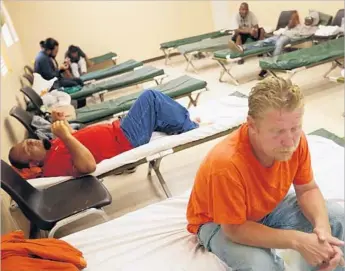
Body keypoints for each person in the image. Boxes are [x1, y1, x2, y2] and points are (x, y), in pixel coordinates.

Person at [186, 77, 344, 271]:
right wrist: (298, 240)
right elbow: (234, 229)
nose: (289, 142)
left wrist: (323, 232)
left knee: (337, 219)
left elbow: (307, 189)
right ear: (251, 125)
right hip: (217, 222)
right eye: (277, 131)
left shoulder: (297, 141)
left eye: (295, 128)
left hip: (265, 207)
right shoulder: (226, 164)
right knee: (262, 266)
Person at [9, 90, 201, 178]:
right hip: (125, 140)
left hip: (118, 130)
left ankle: (178, 124)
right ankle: (189, 127)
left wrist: (59, 123)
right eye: (27, 148)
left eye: (27, 141)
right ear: (33, 164)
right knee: (150, 97)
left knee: (154, 112)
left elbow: (75, 137)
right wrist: (66, 137)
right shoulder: (53, 166)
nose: (32, 141)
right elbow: (87, 165)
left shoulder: (54, 149)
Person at [228, 12, 319, 79]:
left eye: (309, 20)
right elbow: (288, 28)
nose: (307, 21)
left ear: (314, 21)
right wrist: (289, 26)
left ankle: (272, 64)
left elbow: (317, 32)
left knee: (279, 44)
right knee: (264, 42)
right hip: (282, 34)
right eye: (306, 19)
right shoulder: (299, 25)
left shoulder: (313, 29)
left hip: (288, 38)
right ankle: (242, 47)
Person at [34, 38, 86, 107]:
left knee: (79, 80)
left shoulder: (46, 56)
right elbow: (49, 77)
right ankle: (81, 107)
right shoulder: (43, 59)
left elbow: (52, 72)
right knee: (76, 84)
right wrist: (60, 69)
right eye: (55, 51)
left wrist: (62, 69)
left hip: (56, 80)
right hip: (52, 86)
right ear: (49, 50)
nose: (56, 53)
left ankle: (82, 105)